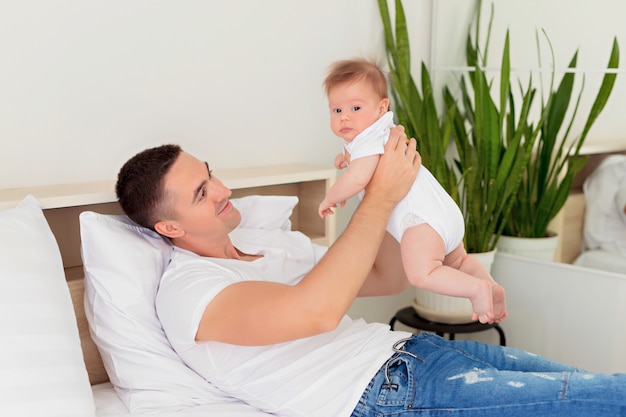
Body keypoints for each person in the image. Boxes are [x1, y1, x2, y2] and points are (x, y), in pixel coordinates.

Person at [115, 136, 626, 417]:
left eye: (210, 173)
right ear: (169, 227)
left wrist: (376, 183)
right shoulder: (188, 291)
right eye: (202, 193)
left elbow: (384, 275)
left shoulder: (271, 245)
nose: (222, 188)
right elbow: (316, 313)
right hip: (380, 393)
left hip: (411, 351)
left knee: (598, 389)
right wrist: (379, 198)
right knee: (606, 403)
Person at [318, 58, 505, 324]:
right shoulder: (381, 132)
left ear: (382, 107)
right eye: (336, 110)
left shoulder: (368, 141)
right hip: (443, 212)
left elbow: (358, 177)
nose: (344, 116)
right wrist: (345, 158)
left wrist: (331, 196)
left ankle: (477, 289)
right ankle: (490, 284)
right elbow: (360, 160)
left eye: (355, 107)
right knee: (460, 261)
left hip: (420, 222)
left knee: (422, 274)